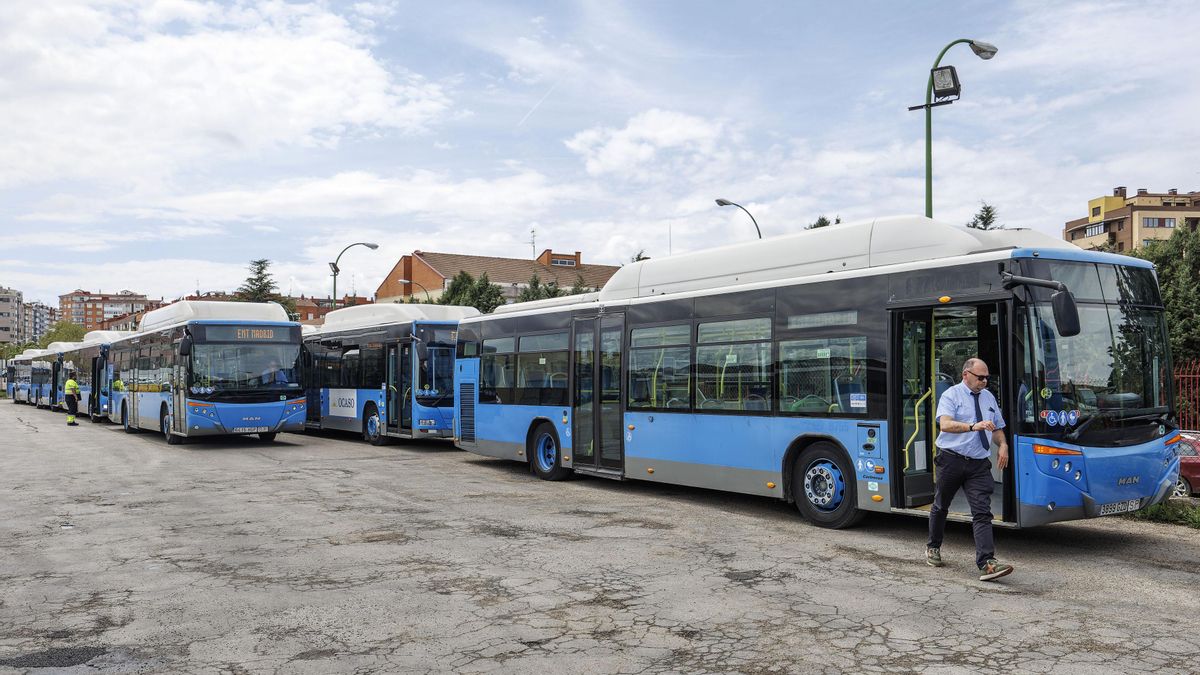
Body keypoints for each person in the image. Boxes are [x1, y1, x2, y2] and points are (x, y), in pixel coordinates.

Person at [926, 357, 1014, 581]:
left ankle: (987, 563)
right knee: (941, 505)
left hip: (977, 464)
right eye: (980, 377)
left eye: (987, 378)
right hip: (951, 459)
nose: (984, 381)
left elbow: (997, 428)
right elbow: (944, 424)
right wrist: (973, 426)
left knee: (982, 512)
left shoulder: (989, 397)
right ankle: (933, 546)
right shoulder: (951, 395)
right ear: (966, 374)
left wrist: (1002, 445)